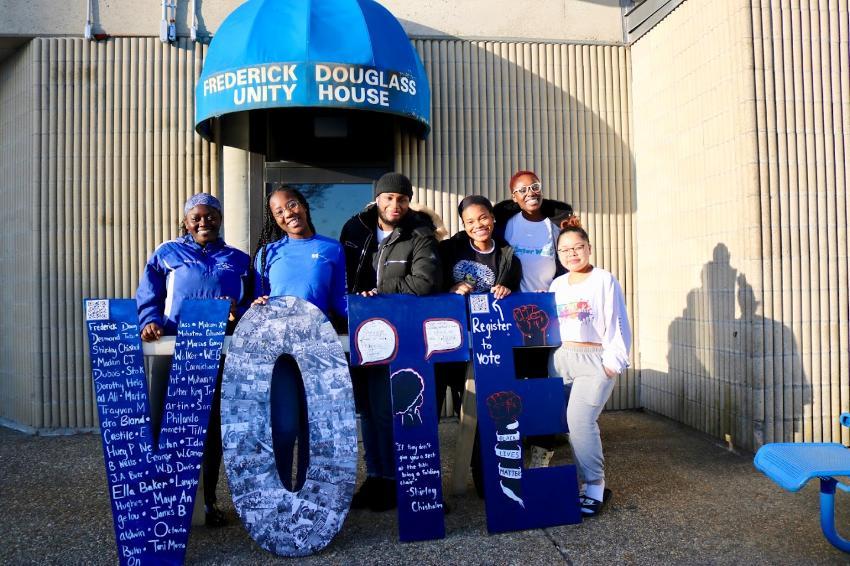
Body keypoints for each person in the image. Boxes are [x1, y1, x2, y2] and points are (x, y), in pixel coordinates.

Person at [136, 192, 251, 527]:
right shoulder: (166, 253)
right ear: (185, 220)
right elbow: (149, 294)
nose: (204, 222)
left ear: (220, 217)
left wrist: (237, 311)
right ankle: (163, 503)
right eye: (196, 217)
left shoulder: (238, 258)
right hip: (172, 350)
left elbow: (252, 302)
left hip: (218, 352)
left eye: (211, 215)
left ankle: (207, 502)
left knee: (210, 429)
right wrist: (149, 321)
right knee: (162, 423)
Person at [339, 171, 442, 511]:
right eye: (388, 198)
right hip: (358, 331)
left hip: (397, 333)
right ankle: (376, 477)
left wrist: (379, 293)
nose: (394, 204)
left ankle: (397, 479)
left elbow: (423, 283)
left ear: (408, 201)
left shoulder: (419, 234)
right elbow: (342, 275)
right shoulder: (355, 229)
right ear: (377, 199)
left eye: (401, 198)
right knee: (366, 411)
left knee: (386, 409)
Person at [251, 185, 348, 492]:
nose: (287, 214)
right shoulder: (267, 254)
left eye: (291, 205)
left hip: (320, 348)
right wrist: (255, 306)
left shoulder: (332, 249)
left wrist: (370, 308)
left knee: (316, 429)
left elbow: (339, 301)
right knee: (284, 426)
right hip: (279, 353)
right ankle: (278, 494)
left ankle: (313, 496)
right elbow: (256, 300)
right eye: (278, 211)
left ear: (304, 205)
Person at [438, 195, 522, 497]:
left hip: (487, 346)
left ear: (493, 218)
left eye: (483, 217)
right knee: (434, 414)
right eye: (470, 221)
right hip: (448, 344)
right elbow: (430, 283)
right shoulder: (448, 250)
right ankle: (428, 487)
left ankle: (487, 482)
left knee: (483, 416)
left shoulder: (507, 255)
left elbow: (513, 286)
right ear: (463, 225)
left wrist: (507, 288)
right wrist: (450, 289)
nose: (479, 225)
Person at [548, 216, 631, 517]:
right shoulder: (556, 284)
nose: (572, 254)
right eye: (565, 250)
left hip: (593, 360)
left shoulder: (604, 280)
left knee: (580, 421)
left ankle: (595, 485)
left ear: (589, 248)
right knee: (568, 425)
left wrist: (612, 363)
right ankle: (579, 483)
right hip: (561, 360)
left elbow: (619, 323)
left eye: (577, 247)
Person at [494, 170, 574, 467]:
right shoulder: (507, 225)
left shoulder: (555, 224)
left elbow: (567, 261)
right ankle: (517, 441)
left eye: (535, 187)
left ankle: (542, 453)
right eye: (523, 189)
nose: (531, 193)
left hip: (547, 315)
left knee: (545, 382)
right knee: (516, 380)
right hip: (512, 313)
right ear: (514, 197)